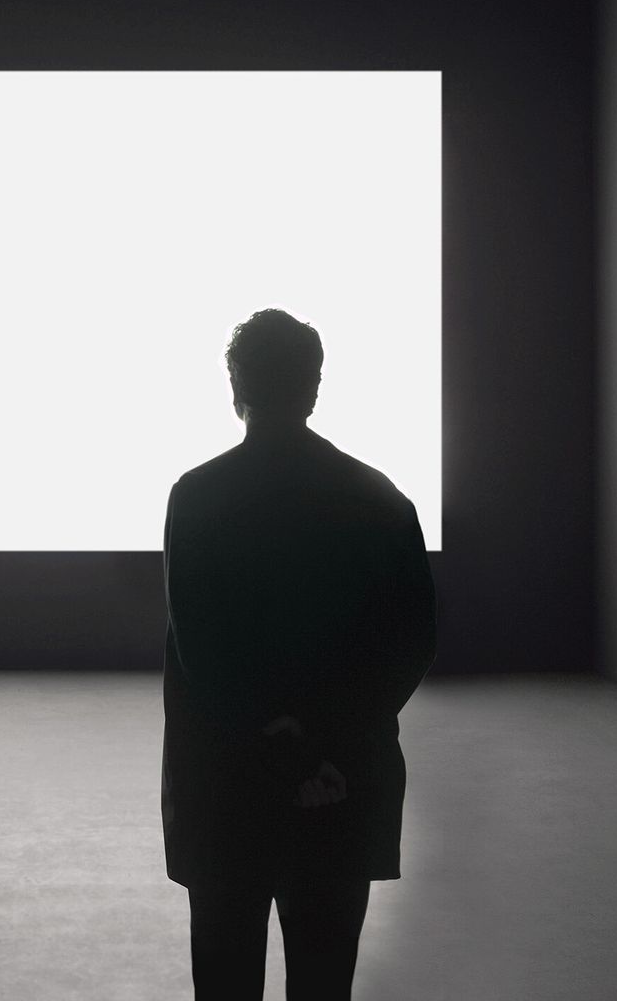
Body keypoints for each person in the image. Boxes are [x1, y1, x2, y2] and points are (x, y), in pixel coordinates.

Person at [161, 308, 437, 1000]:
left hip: (229, 788)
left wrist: (274, 745)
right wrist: (324, 747)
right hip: (339, 784)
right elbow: (406, 647)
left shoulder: (196, 499)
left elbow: (203, 651)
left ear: (236, 389)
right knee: (323, 981)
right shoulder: (380, 500)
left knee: (225, 978)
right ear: (314, 387)